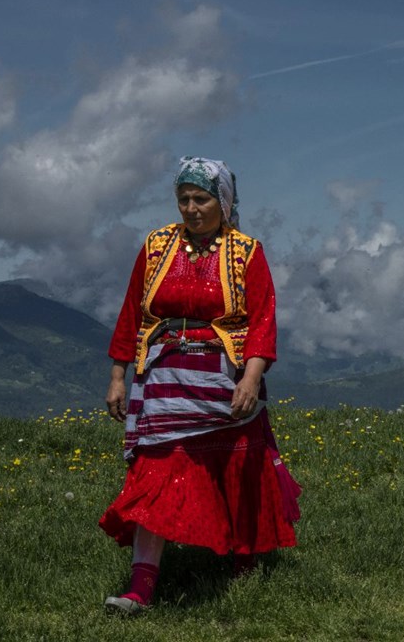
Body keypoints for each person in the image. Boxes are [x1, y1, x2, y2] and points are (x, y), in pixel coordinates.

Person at [99, 156, 301, 615]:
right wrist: (117, 375)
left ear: (224, 202)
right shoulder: (155, 246)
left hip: (224, 378)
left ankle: (244, 566)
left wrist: (252, 378)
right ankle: (140, 588)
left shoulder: (246, 251)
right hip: (163, 376)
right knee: (155, 475)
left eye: (201, 199)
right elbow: (133, 310)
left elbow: (263, 318)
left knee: (238, 473)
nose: (190, 208)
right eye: (183, 199)